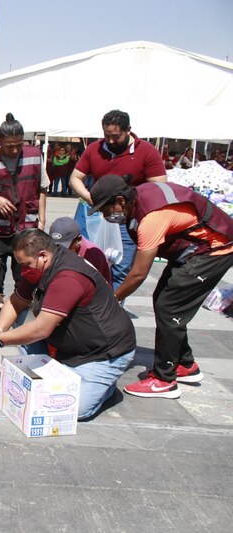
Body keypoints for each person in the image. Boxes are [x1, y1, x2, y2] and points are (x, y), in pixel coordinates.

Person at [88, 175, 233, 399]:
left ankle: (164, 379)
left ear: (121, 200)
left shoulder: (150, 219)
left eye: (106, 209)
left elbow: (137, 274)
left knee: (170, 307)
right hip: (195, 249)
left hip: (215, 249)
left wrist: (113, 298)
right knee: (163, 300)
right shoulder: (139, 199)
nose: (105, 216)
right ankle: (184, 364)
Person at [0, 229, 136, 420]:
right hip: (70, 344)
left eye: (25, 264)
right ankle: (63, 369)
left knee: (72, 410)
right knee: (21, 316)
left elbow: (42, 328)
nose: (23, 270)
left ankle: (105, 388)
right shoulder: (41, 265)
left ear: (43, 256)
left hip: (103, 352)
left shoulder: (68, 276)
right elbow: (15, 301)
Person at [69, 110, 167, 289]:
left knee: (121, 265)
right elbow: (75, 178)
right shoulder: (94, 149)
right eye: (107, 136)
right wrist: (90, 198)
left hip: (127, 218)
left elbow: (159, 186)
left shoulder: (146, 151)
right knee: (89, 261)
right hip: (97, 214)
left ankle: (114, 306)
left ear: (128, 130)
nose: (110, 141)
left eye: (115, 136)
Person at [0, 113, 49, 296]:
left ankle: (20, 318)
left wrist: (42, 222)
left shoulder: (35, 156)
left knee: (25, 282)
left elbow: (42, 189)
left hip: (26, 231)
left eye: (19, 145)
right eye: (10, 146)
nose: (15, 150)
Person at [49, 217, 112, 286]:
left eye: (65, 247)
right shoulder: (50, 251)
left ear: (78, 240)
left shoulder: (93, 255)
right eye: (56, 246)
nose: (60, 251)